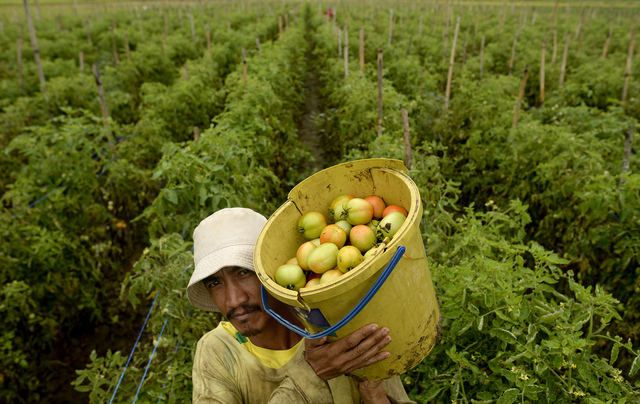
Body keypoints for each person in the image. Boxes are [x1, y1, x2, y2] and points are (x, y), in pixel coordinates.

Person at [187, 207, 416, 403]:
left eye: (243, 272)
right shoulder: (217, 351)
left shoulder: (340, 319)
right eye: (215, 283)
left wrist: (374, 395)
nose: (234, 300)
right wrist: (311, 373)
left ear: (271, 269)